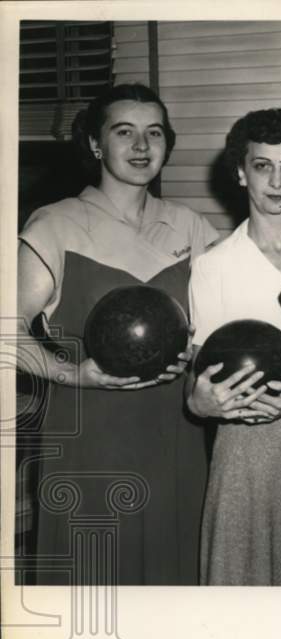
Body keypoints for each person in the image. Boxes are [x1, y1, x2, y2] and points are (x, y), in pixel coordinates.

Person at [16, 83, 218, 585]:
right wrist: (73, 374)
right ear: (94, 144)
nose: (141, 146)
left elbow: (223, 324)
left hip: (176, 432)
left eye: (154, 133)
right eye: (124, 132)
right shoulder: (55, 225)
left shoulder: (190, 226)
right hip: (91, 433)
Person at [187, 108, 281, 586]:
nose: (278, 181)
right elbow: (199, 378)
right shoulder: (213, 266)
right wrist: (202, 402)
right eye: (263, 165)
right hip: (244, 449)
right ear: (240, 171)